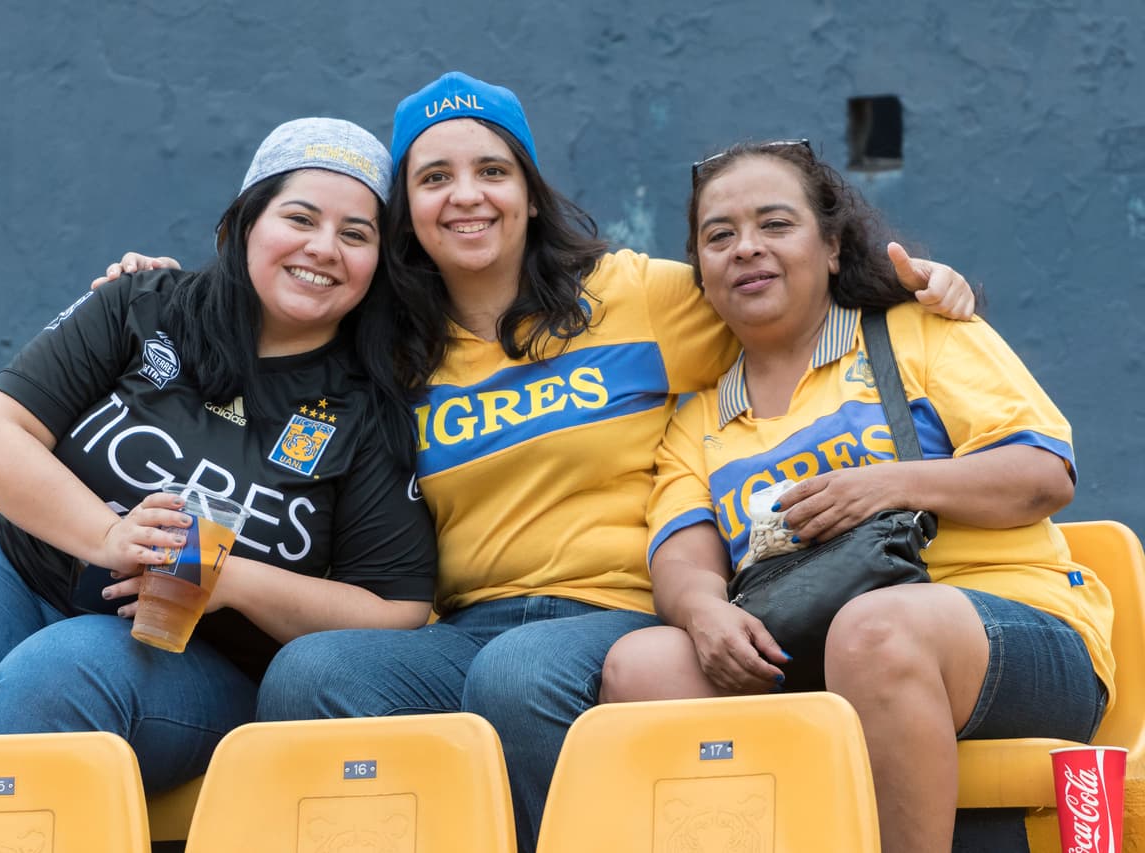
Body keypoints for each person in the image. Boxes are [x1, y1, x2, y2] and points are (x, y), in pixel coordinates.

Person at [94, 72, 976, 850]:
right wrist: (154, 295)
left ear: (528, 191)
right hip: (465, 626)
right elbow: (262, 323)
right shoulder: (388, 342)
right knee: (314, 675)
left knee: (519, 677)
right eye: (434, 178)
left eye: (492, 171)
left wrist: (918, 282)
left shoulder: (635, 293)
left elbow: (776, 287)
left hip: (623, 613)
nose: (466, 195)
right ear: (408, 210)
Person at [0, 118, 438, 794]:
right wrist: (109, 535)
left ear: (379, 263)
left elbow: (392, 606)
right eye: (300, 217)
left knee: (53, 683)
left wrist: (230, 581)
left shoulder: (370, 407)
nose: (323, 247)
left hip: (190, 649)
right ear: (246, 221)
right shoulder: (143, 302)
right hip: (14, 569)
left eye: (355, 233)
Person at [598, 139, 1114, 852]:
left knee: (875, 631)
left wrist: (886, 484)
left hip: (1010, 630)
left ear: (833, 247)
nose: (746, 248)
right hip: (808, 645)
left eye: (775, 224)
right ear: (702, 273)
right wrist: (705, 611)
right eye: (720, 236)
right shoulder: (698, 419)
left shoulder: (918, 331)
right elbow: (681, 555)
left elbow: (1042, 474)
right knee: (641, 666)